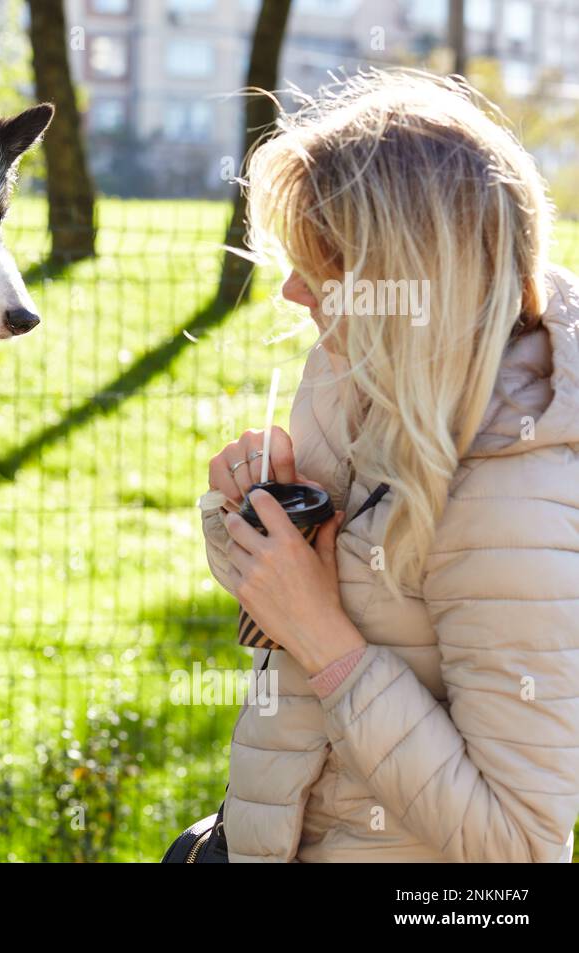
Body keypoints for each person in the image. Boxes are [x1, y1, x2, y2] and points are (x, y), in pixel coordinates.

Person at [201, 70, 579, 861]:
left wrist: (325, 640)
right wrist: (251, 518)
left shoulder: (515, 502)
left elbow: (518, 844)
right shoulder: (355, 375)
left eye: (317, 265)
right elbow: (302, 604)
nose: (290, 290)